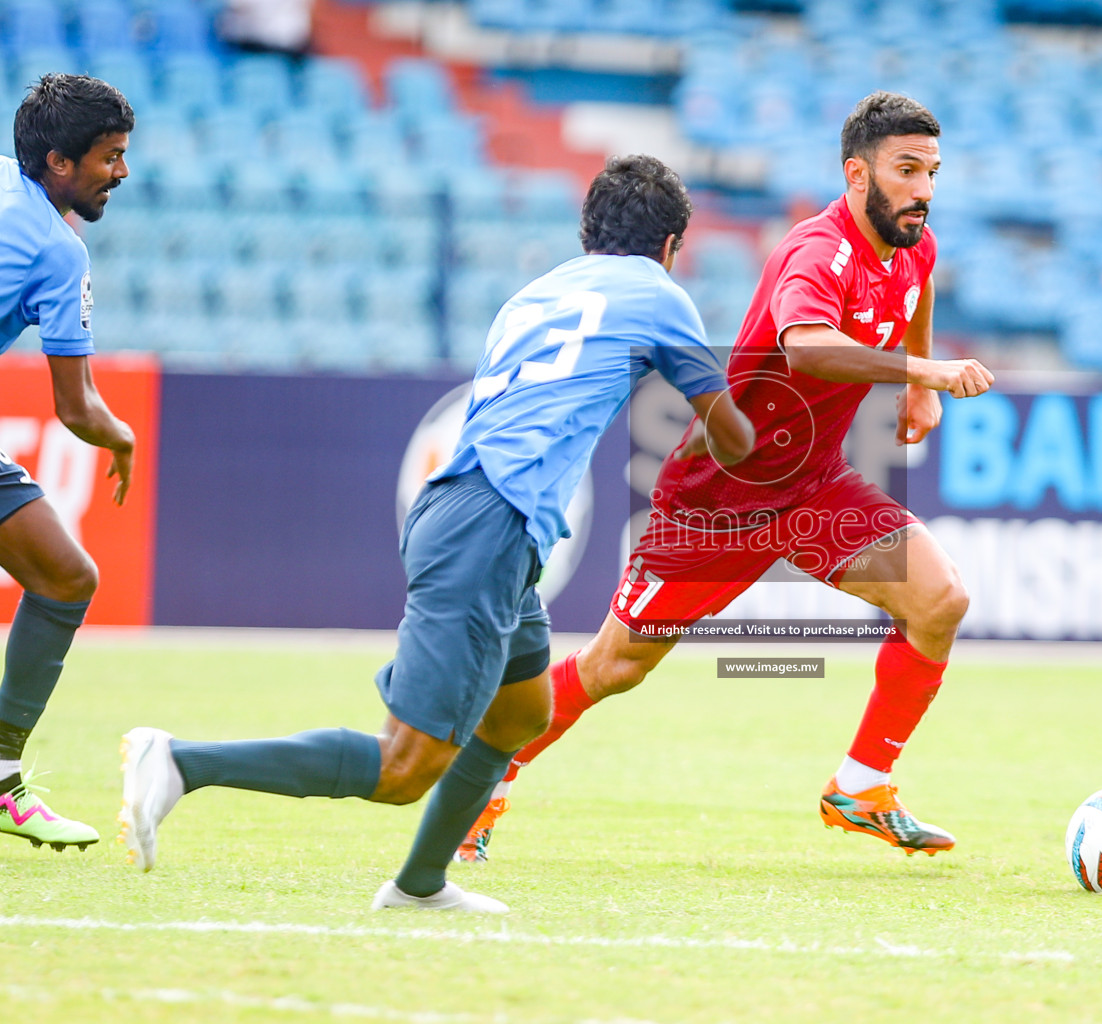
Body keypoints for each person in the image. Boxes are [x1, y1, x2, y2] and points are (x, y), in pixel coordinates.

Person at [118, 154, 755, 912]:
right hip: (492, 523)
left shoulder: (534, 294)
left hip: (468, 510)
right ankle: (182, 761)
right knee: (403, 768)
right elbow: (736, 440)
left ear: (589, 233)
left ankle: (422, 883)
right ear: (673, 244)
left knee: (522, 713)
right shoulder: (661, 296)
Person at [459, 91, 994, 864]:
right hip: (719, 498)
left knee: (940, 599)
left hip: (812, 489)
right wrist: (928, 371)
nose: (924, 190)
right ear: (856, 174)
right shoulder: (815, 253)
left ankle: (862, 784)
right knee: (615, 666)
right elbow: (807, 346)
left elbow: (919, 288)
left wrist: (914, 387)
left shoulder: (916, 244)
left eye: (932, 172)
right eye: (906, 170)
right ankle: (484, 780)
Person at [0, 74, 137, 853]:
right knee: (66, 579)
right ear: (58, 162)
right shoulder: (57, 249)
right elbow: (77, 409)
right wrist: (121, 437)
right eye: (110, 158)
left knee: (64, 574)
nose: (120, 173)